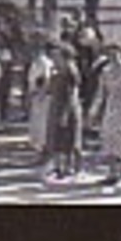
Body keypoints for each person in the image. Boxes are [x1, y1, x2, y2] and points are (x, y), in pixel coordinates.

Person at [91, 46, 121, 186]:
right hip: (111, 105)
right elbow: (101, 92)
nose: (113, 56)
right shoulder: (106, 71)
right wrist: (94, 110)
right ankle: (112, 172)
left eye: (116, 53)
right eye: (110, 53)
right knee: (109, 138)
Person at [47, 43, 83, 179]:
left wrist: (66, 113)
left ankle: (72, 167)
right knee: (57, 137)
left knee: (71, 138)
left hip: (68, 106)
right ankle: (58, 166)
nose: (54, 58)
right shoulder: (56, 70)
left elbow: (73, 93)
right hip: (56, 105)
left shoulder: (70, 71)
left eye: (57, 56)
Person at [25, 40, 56, 160]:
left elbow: (47, 79)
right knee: (36, 125)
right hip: (35, 95)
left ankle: (44, 150)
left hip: (42, 97)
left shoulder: (45, 62)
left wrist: (41, 94)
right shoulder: (35, 63)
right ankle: (39, 150)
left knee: (42, 125)